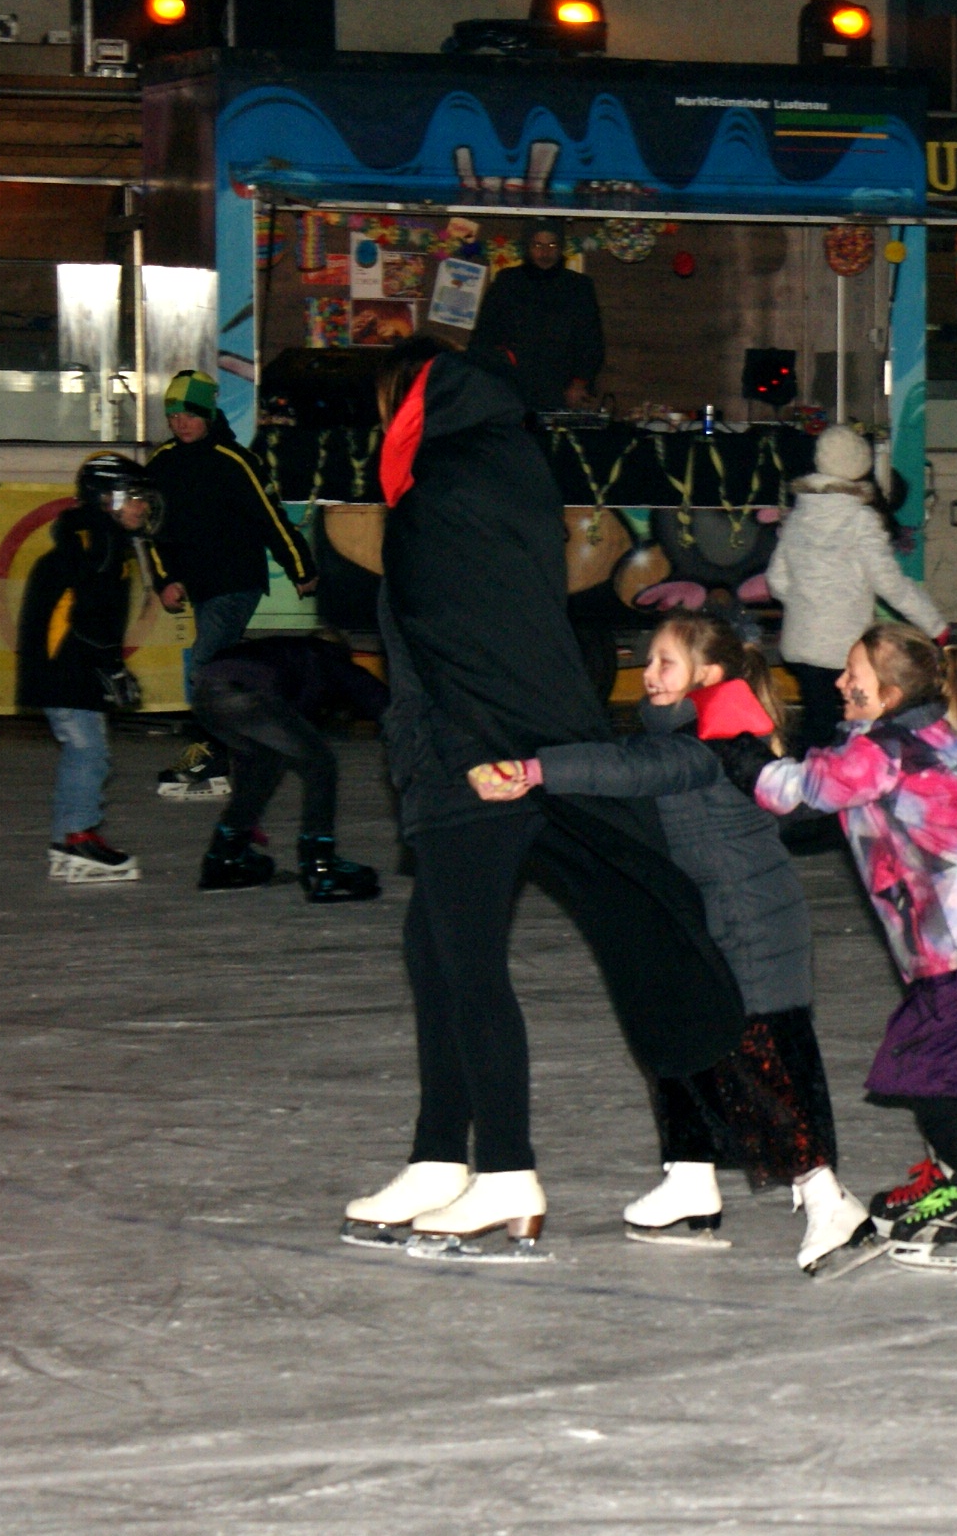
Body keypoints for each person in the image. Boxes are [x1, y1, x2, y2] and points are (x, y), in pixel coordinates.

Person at [339, 339, 821, 1261]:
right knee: (435, 958)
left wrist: (472, 755)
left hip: (474, 761)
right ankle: (438, 1157)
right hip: (512, 745)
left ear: (412, 406)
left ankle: (505, 1173)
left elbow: (447, 639)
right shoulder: (506, 483)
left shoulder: (441, 496)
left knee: (465, 968)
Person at [476, 612, 875, 1276]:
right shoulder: (682, 734)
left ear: (708, 675)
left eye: (666, 663)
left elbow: (631, 770)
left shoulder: (710, 741)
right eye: (650, 659)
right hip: (711, 918)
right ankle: (690, 1178)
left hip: (754, 923)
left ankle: (829, 1200)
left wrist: (537, 769)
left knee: (757, 1061)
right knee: (682, 1036)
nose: (649, 674)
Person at [754, 623, 957, 1273]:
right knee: (921, 1059)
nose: (838, 682)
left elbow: (805, 791)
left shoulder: (886, 751)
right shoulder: (920, 731)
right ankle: (951, 1177)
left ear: (887, 694)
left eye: (851, 673)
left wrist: (745, 762)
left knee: (928, 1070)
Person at [146, 370, 319, 801]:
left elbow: (270, 518)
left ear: (208, 414)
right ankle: (249, 744)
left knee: (204, 665)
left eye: (190, 415)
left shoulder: (235, 461)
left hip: (236, 580)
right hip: (201, 586)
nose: (181, 424)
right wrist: (166, 579)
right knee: (220, 668)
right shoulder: (162, 463)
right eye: (173, 416)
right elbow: (154, 528)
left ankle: (214, 755)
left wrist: (300, 566)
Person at [17, 453, 172, 885]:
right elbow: (90, 615)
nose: (143, 507)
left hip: (69, 665)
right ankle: (78, 838)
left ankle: (68, 840)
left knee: (85, 750)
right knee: (88, 752)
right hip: (67, 666)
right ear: (109, 498)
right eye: (135, 498)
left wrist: (107, 664)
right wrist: (110, 666)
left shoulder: (102, 539)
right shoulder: (98, 542)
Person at [763, 426, 947, 750]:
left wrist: (808, 603)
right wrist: (933, 624)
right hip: (844, 647)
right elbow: (888, 582)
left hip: (801, 642)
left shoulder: (799, 516)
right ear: (861, 466)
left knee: (817, 721)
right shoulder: (861, 520)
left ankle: (807, 773)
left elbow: (776, 579)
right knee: (851, 726)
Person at [188, 632, 387, 901]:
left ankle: (225, 856)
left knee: (263, 763)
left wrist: (245, 820)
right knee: (320, 762)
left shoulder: (284, 654)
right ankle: (320, 864)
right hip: (248, 692)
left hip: (205, 695)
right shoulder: (324, 656)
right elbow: (371, 694)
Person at [467, 220, 605, 414]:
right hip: (511, 385)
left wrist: (579, 383)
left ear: (561, 248)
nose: (545, 252)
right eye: (538, 245)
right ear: (527, 247)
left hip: (562, 387)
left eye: (552, 245)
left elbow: (591, 340)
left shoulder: (578, 286)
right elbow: (484, 335)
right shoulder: (507, 282)